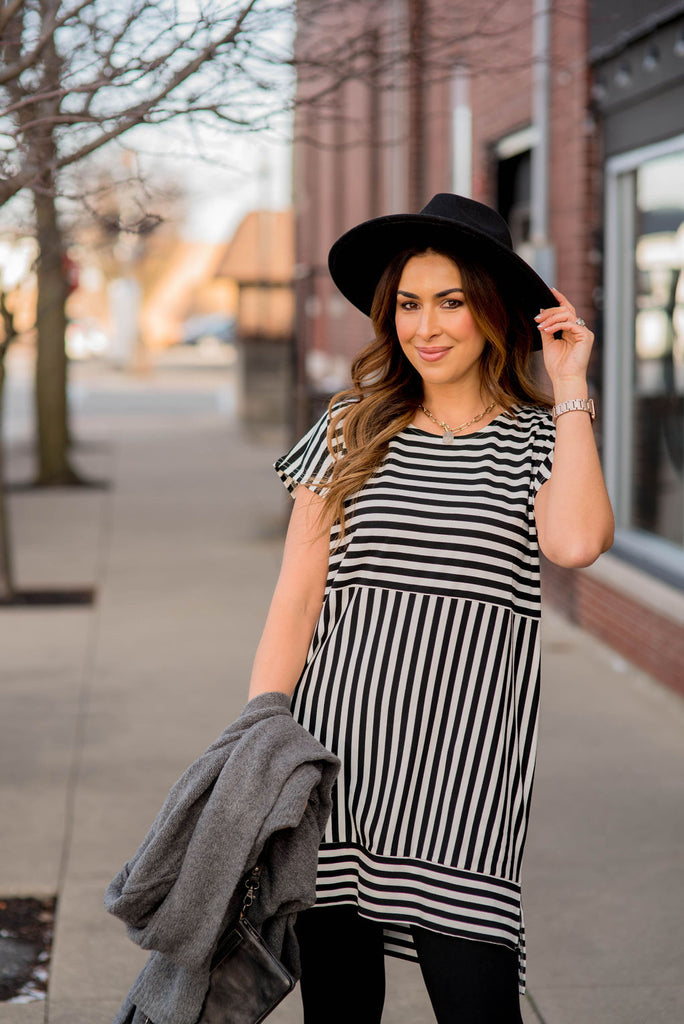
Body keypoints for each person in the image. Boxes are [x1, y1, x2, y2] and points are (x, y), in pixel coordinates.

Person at [247, 194, 614, 1024]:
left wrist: (572, 389)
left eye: (451, 301)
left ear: (493, 311)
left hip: (467, 787)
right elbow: (297, 596)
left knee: (478, 1003)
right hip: (337, 765)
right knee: (340, 1008)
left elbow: (579, 543)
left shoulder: (537, 439)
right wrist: (256, 737)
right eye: (409, 304)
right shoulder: (349, 426)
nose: (427, 326)